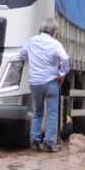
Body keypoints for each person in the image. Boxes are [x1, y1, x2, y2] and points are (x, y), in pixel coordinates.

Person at [19, 20, 70, 152]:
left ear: (40, 29)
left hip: (35, 82)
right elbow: (65, 58)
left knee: (37, 112)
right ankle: (49, 142)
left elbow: (22, 54)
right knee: (52, 113)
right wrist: (62, 73)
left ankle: (35, 140)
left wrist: (31, 61)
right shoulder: (55, 43)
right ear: (53, 31)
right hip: (51, 82)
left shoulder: (31, 41)